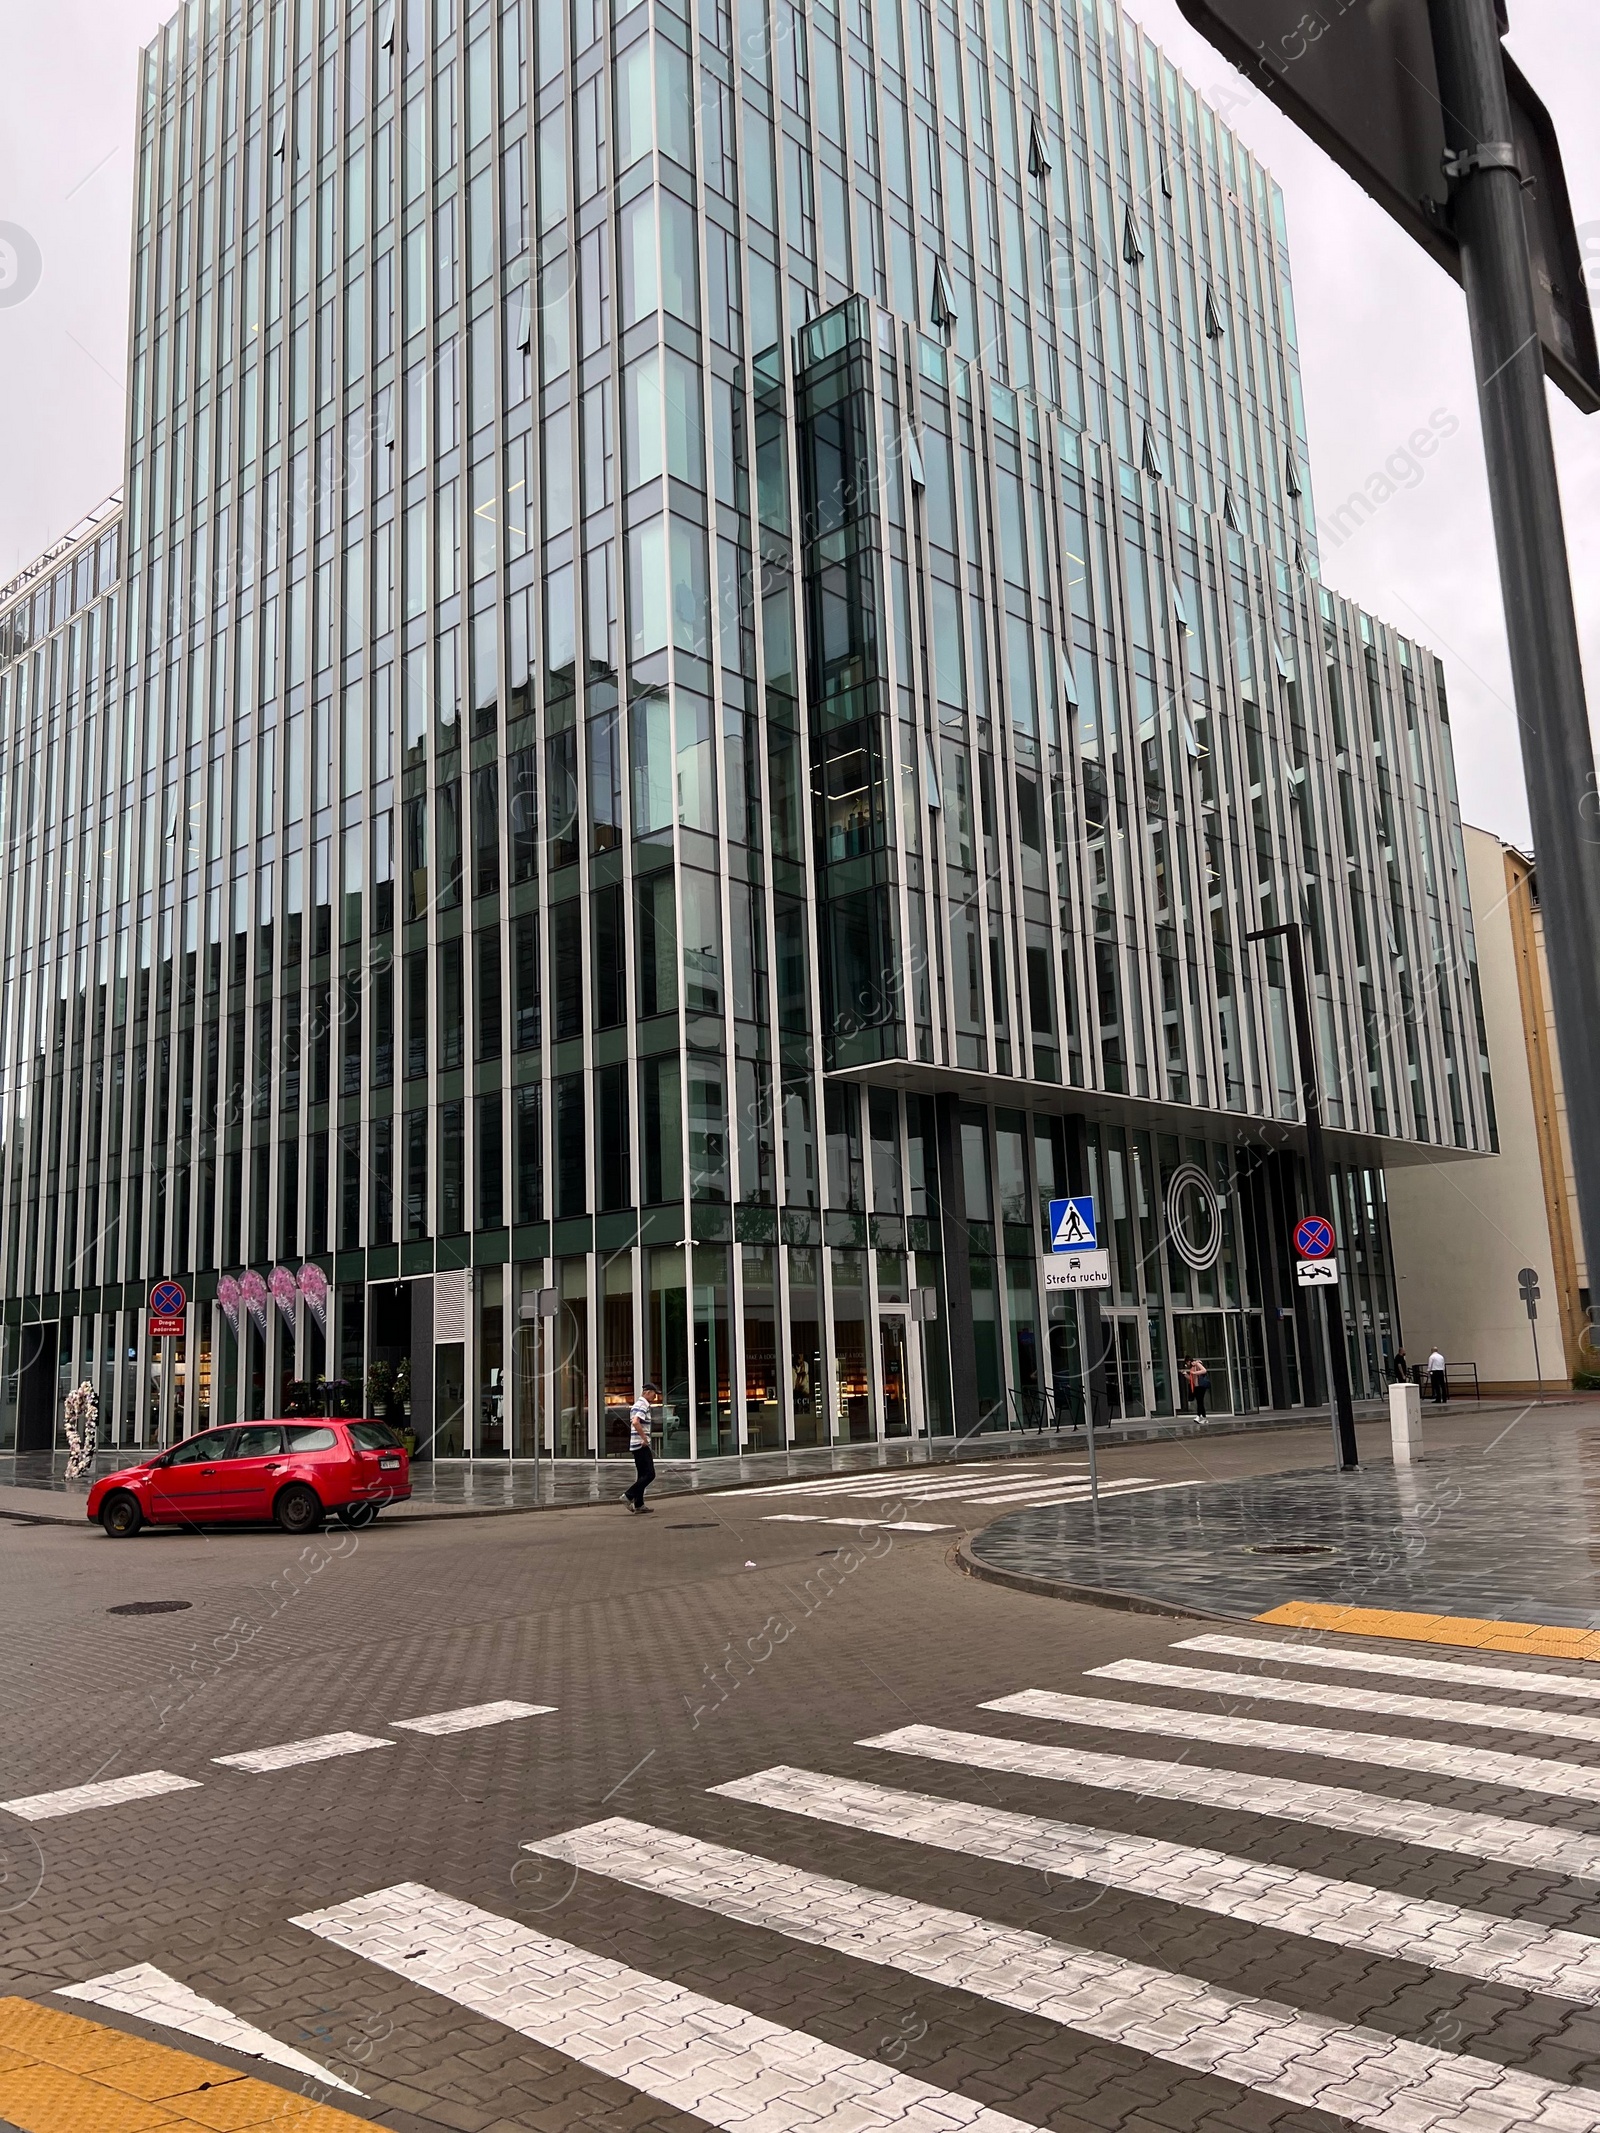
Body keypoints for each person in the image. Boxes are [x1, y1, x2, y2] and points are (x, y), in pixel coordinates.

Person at [624, 1387, 657, 1513]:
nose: (654, 1398)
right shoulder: (643, 1404)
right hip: (641, 1445)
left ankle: (639, 1504)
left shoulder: (636, 1404)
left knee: (642, 1475)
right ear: (647, 1393)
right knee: (650, 1474)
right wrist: (644, 1438)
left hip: (635, 1444)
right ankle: (628, 1496)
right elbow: (636, 1422)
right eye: (653, 1395)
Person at [1189, 1356, 1211, 1422]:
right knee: (1200, 1402)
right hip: (1196, 1386)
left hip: (1201, 1385)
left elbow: (1204, 1370)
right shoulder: (1192, 1367)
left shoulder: (1197, 1364)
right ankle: (1204, 1417)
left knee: (1200, 1402)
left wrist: (1194, 1373)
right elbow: (1192, 1378)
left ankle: (1198, 1416)